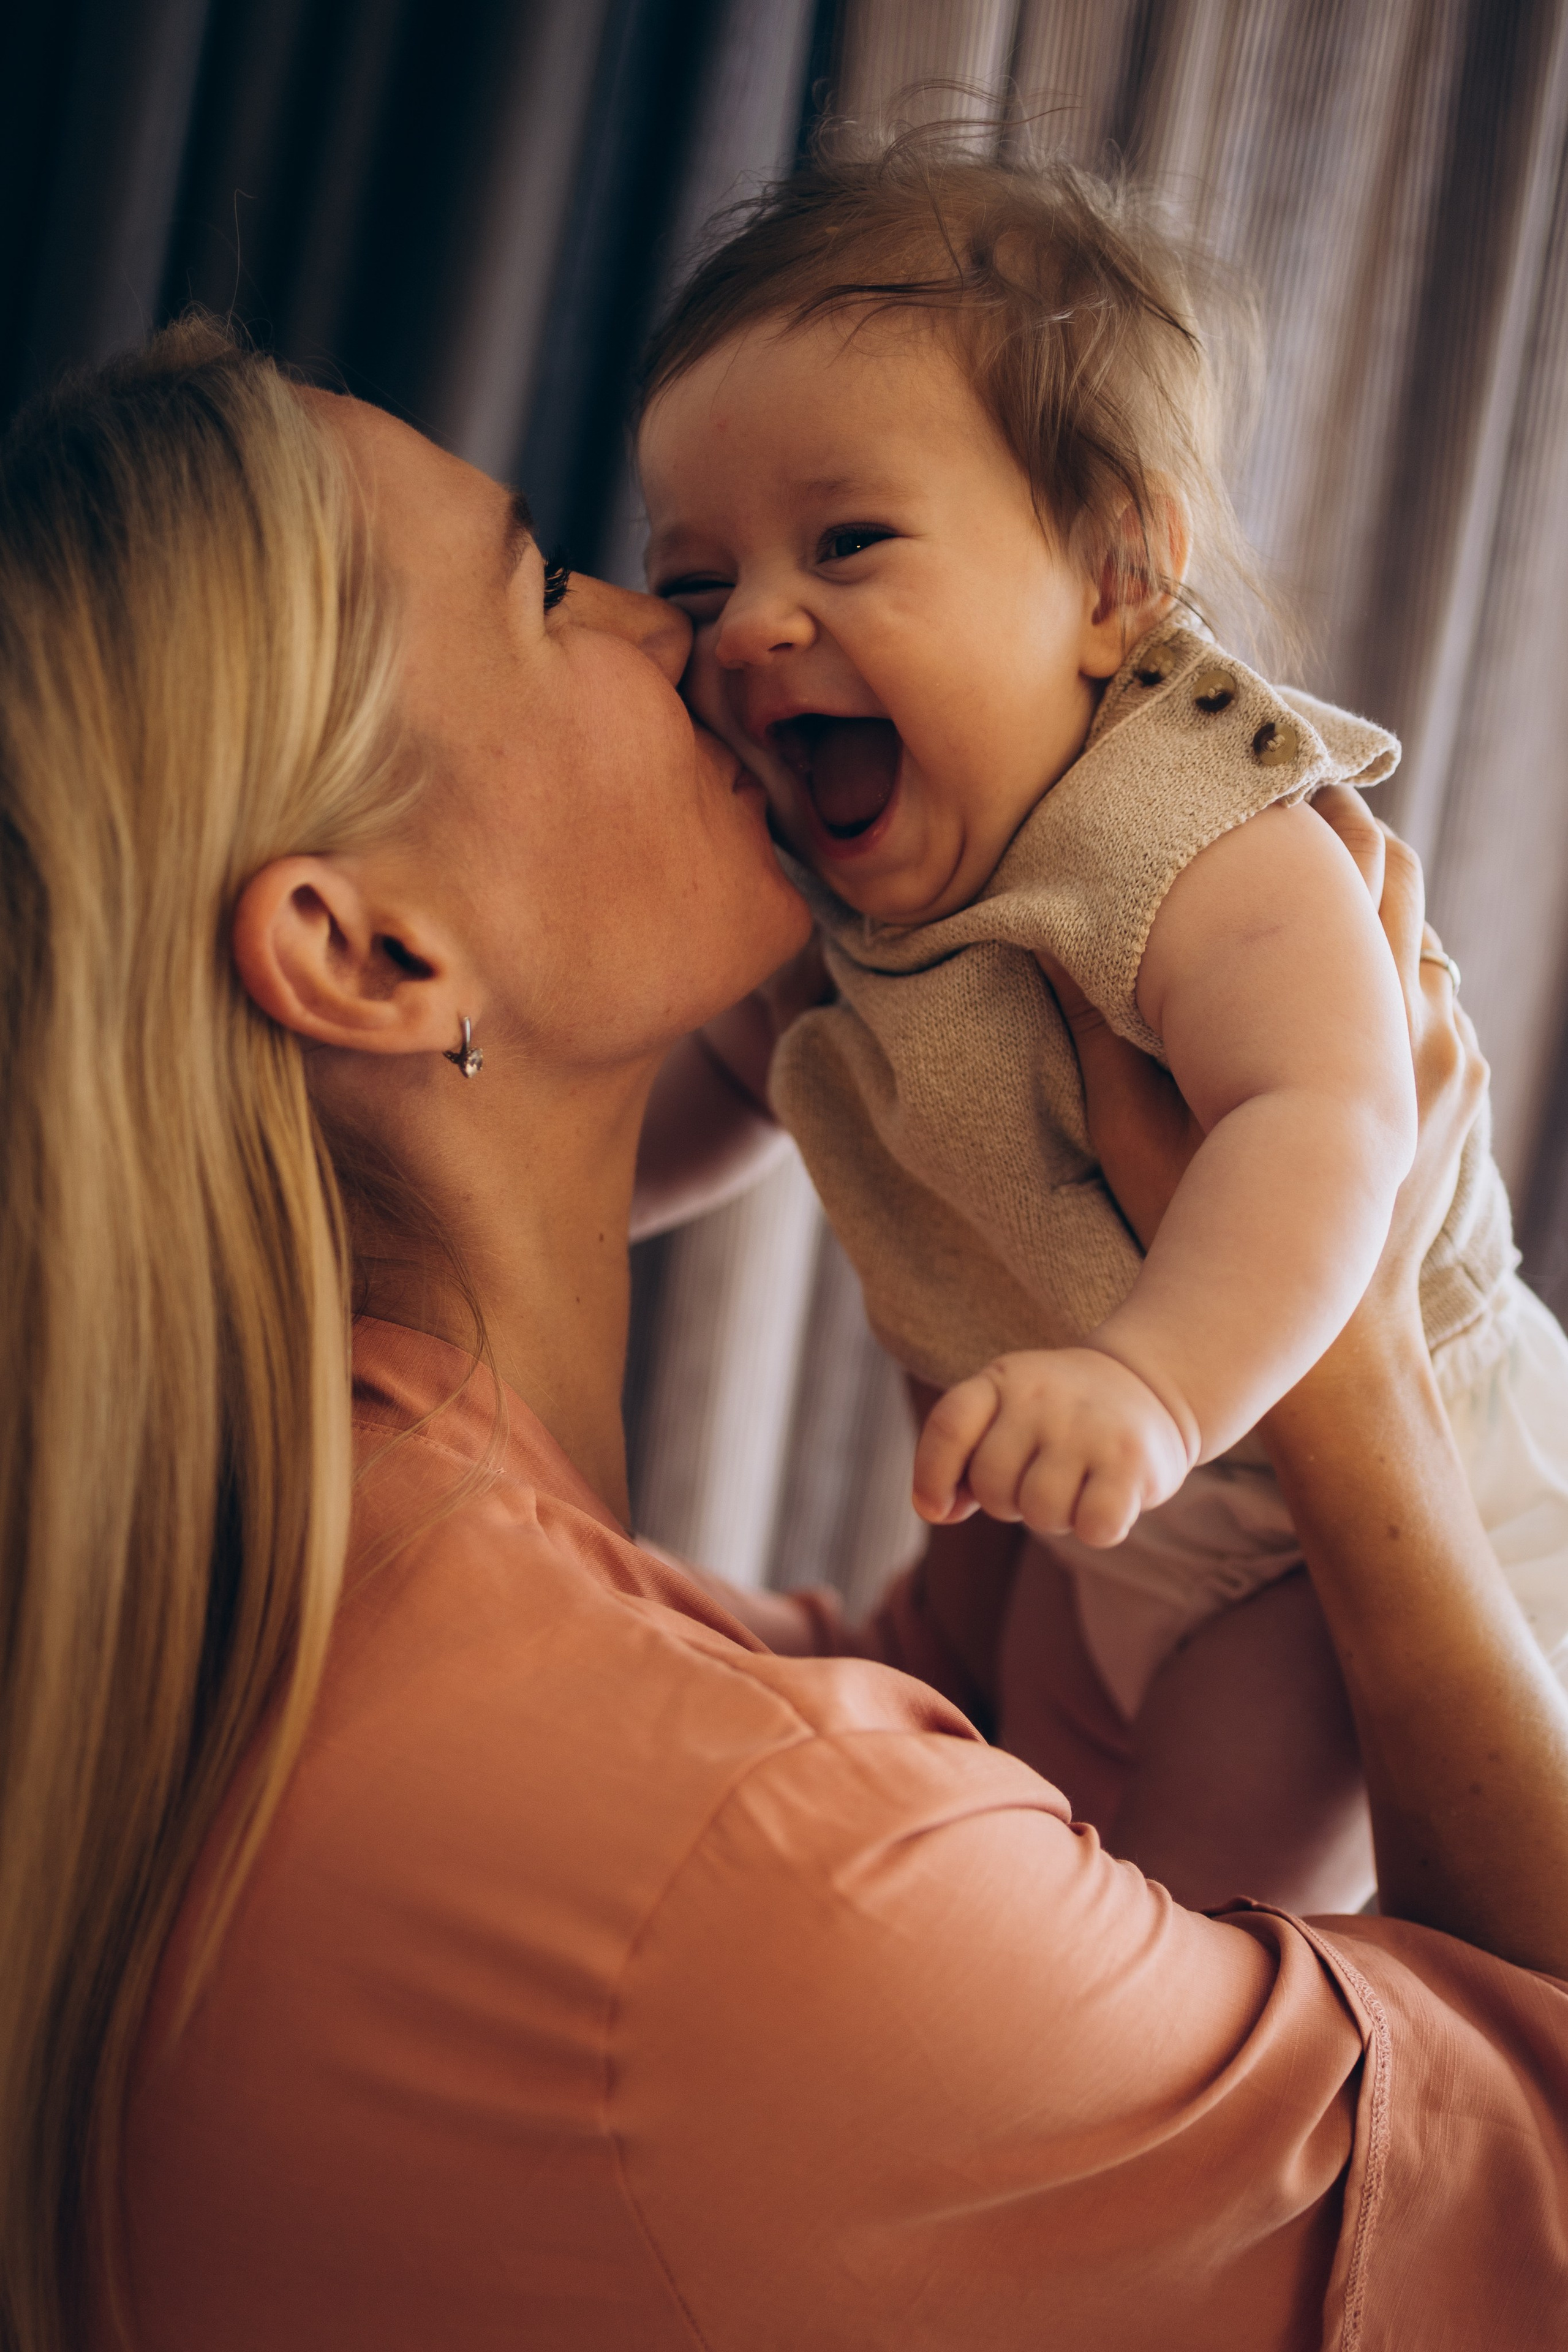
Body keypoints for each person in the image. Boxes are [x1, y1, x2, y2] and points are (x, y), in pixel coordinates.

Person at [2, 320, 1567, 2352]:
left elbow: (937, 1749)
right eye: (564, 592)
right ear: (369, 950)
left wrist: (1036, 1268)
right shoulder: (721, 1879)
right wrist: (1342, 1374)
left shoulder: (289, 1593)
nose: (704, 645)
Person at [633, 140, 1568, 1899]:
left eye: (848, 542)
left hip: (1353, 1534)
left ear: (1115, 574)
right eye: (696, 581)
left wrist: (1150, 1380)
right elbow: (734, 1076)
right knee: (1016, 1859)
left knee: (1176, 1927)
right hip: (1126, 1538)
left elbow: (1330, 1118)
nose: (754, 625)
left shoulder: (1188, 821)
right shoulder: (845, 892)